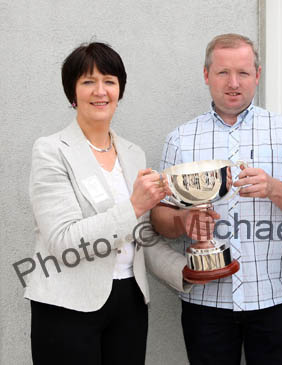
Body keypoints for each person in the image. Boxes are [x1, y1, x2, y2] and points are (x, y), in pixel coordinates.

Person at [151, 33, 282, 364]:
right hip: (206, 302)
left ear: (257, 75)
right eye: (222, 72)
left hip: (273, 302)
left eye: (243, 73)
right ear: (206, 75)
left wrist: (275, 189)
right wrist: (182, 220)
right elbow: (159, 217)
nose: (233, 83)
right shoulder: (180, 139)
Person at [25, 42, 187, 365]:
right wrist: (135, 206)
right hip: (66, 306)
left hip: (129, 304)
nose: (100, 91)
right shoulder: (51, 151)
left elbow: (141, 239)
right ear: (73, 93)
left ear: (120, 91)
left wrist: (187, 271)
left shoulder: (133, 153)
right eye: (88, 81)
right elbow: (63, 240)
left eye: (109, 81)